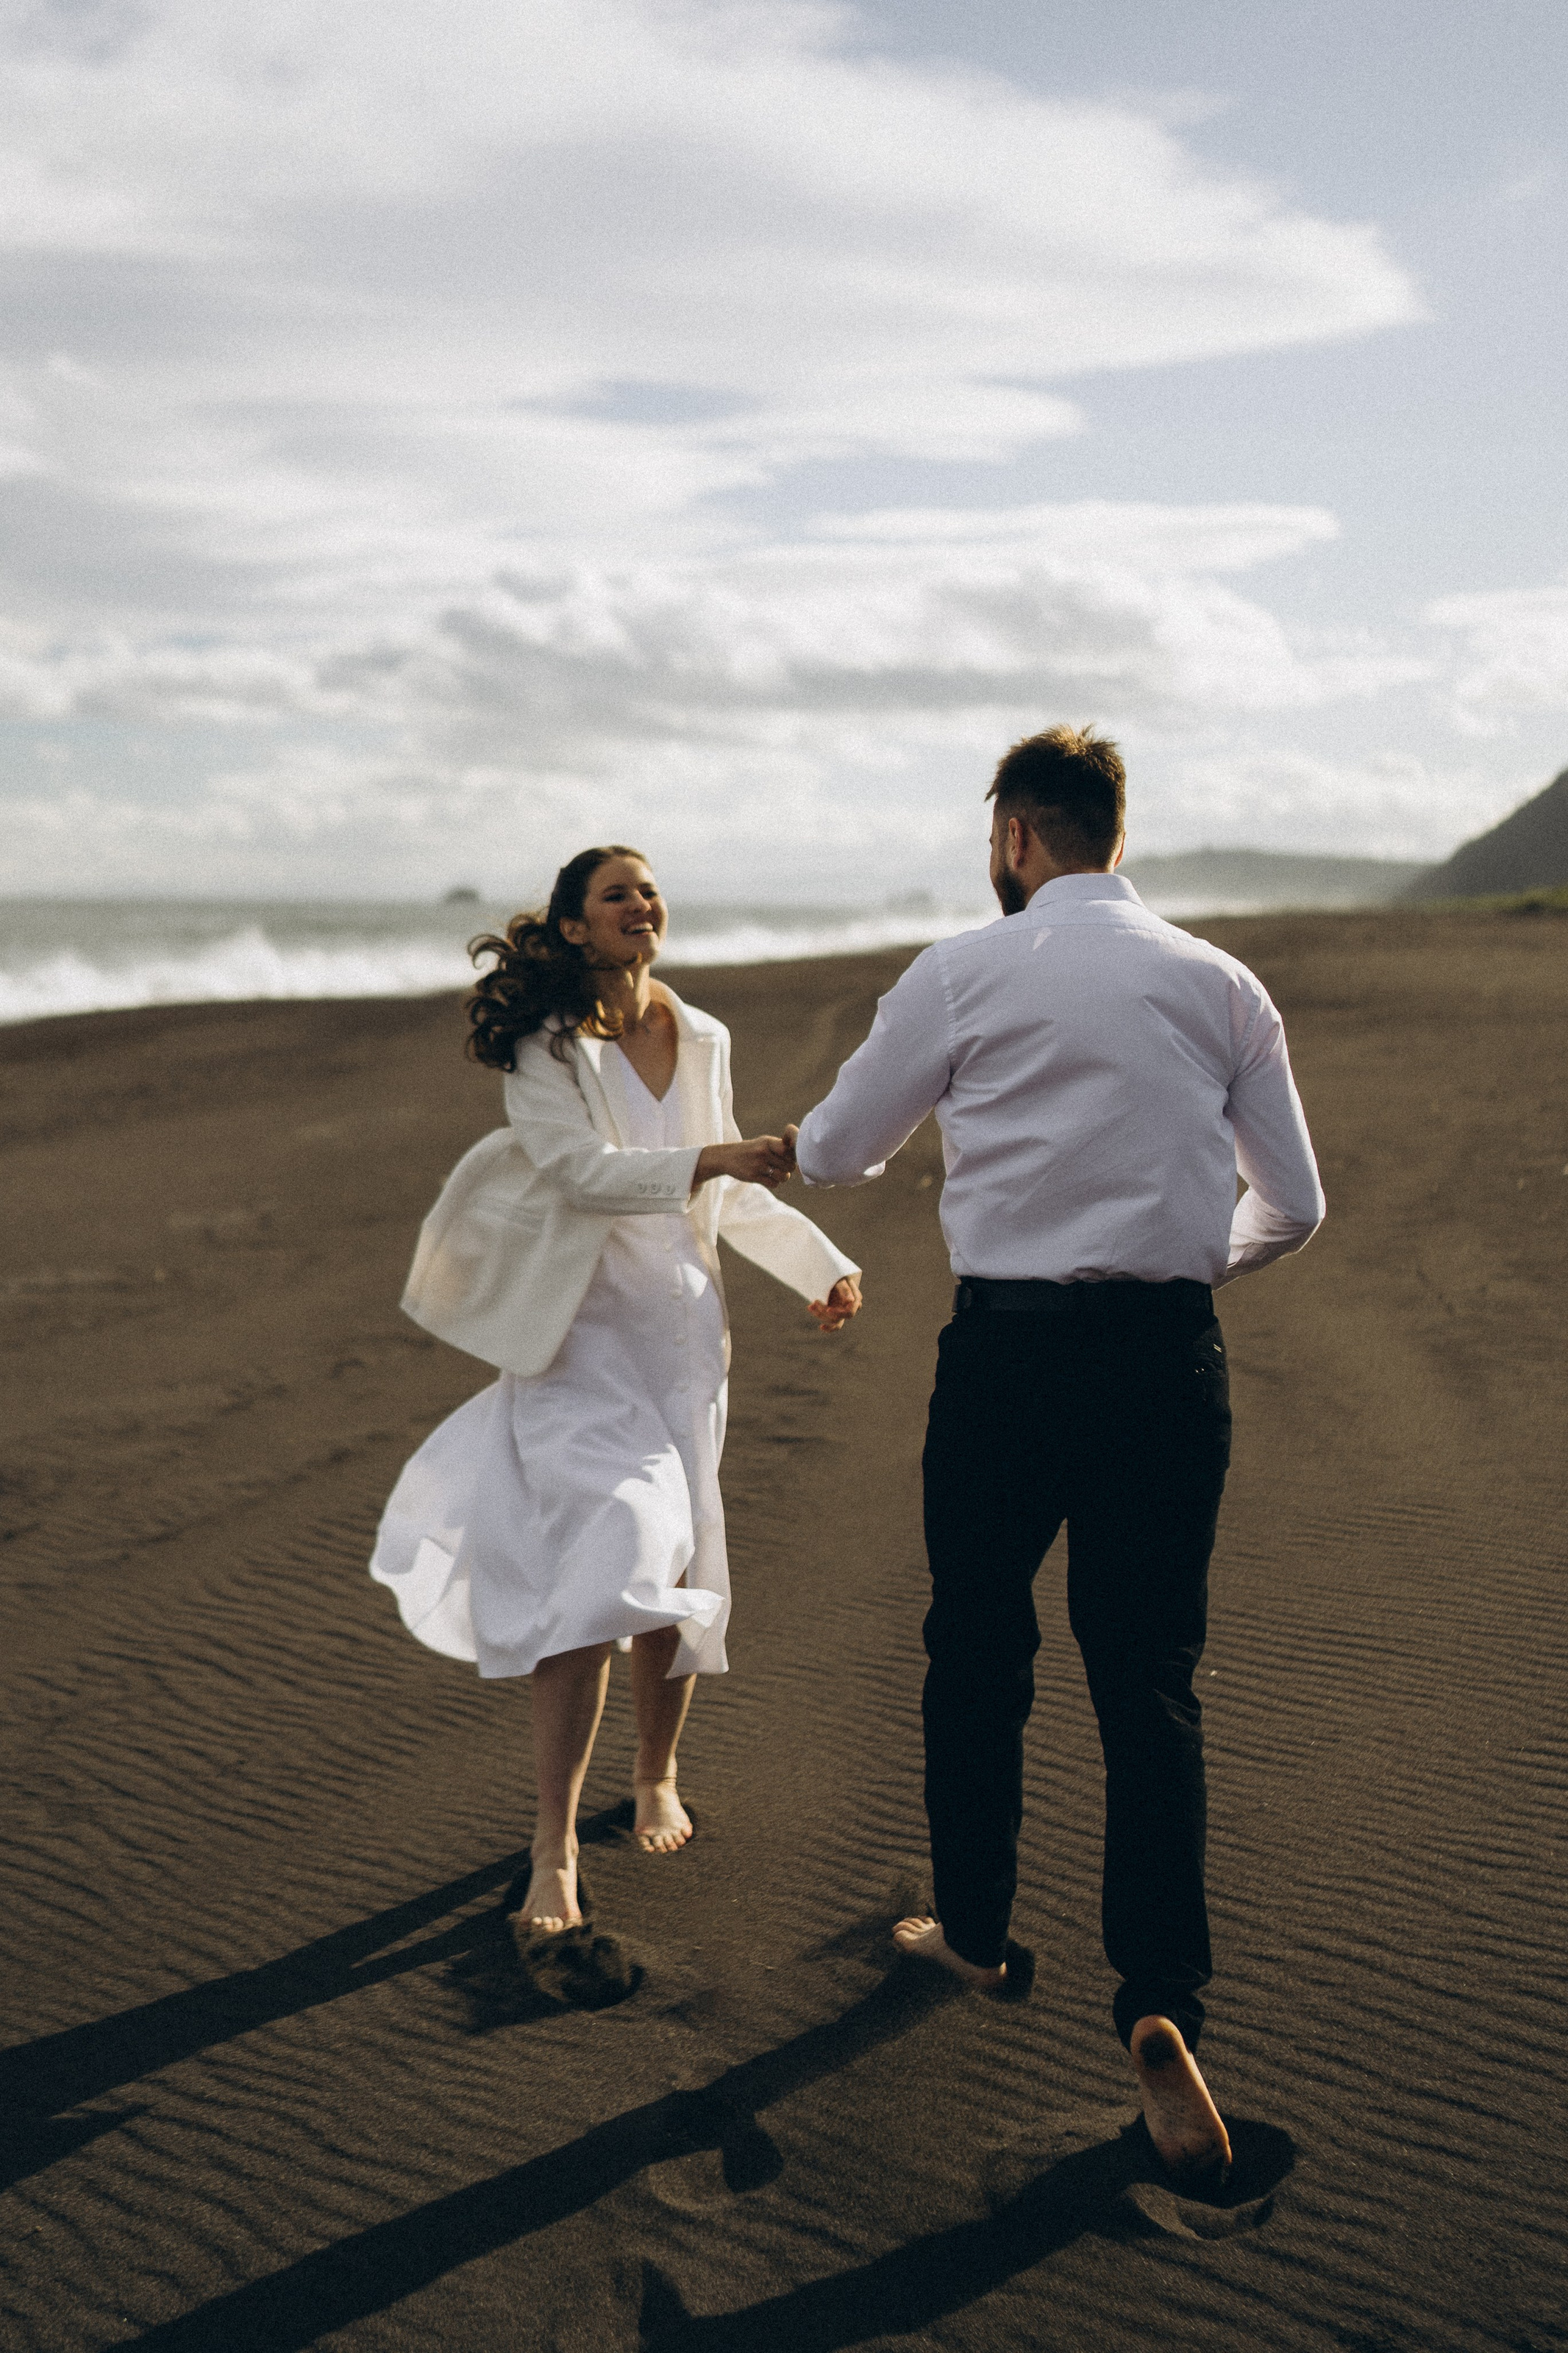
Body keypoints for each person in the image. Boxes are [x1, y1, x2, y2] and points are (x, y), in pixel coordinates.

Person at [787, 727, 1324, 2178]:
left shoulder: (963, 970)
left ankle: (974, 1931)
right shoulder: (1221, 982)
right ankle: (1159, 2002)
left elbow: (837, 1150)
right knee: (1147, 1679)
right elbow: (1295, 1204)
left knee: (977, 1645)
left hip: (1008, 1361)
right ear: (1115, 833)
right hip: (1166, 1364)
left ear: (1017, 836)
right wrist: (1174, 1267)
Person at [371, 845, 862, 1936]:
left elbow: (727, 1194)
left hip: (680, 1338)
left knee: (678, 1558)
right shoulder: (545, 1048)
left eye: (647, 889)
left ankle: (653, 1774)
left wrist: (819, 1264)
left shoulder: (704, 1035)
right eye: (615, 894)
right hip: (579, 1344)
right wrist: (712, 1160)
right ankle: (551, 1844)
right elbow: (579, 1173)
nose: (641, 903)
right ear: (575, 926)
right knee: (611, 1559)